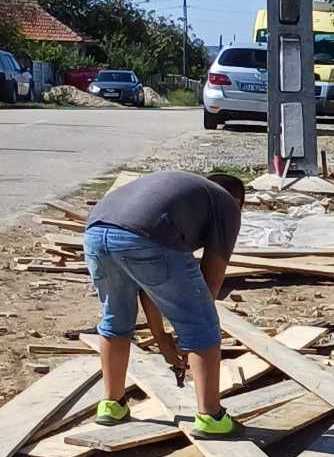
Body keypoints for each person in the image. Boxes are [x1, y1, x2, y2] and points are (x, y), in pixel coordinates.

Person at [82, 168, 247, 435]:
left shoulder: (182, 199)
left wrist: (162, 338)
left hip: (96, 233)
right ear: (238, 203)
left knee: (115, 317)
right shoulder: (227, 206)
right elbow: (210, 285)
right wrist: (189, 335)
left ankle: (112, 405)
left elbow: (151, 284)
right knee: (202, 324)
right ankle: (211, 417)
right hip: (145, 236)